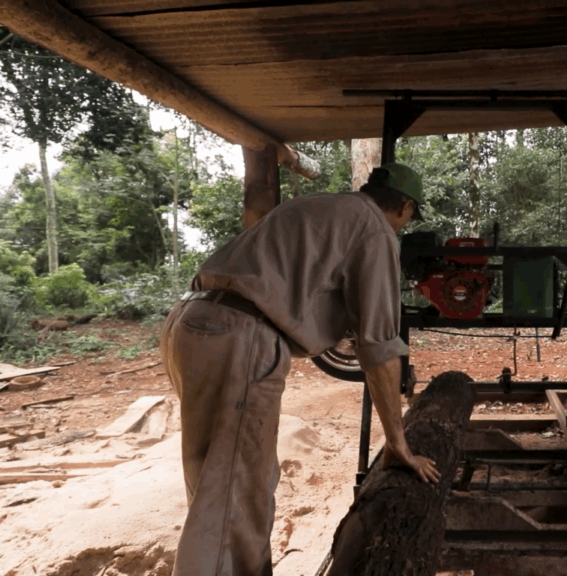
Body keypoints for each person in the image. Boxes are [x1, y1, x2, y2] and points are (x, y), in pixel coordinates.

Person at [159, 162, 438, 576]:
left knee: (213, 483)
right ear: (405, 207)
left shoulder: (321, 206)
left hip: (191, 323)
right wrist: (398, 444)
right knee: (236, 496)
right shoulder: (376, 230)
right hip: (239, 336)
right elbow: (379, 348)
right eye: (409, 217)